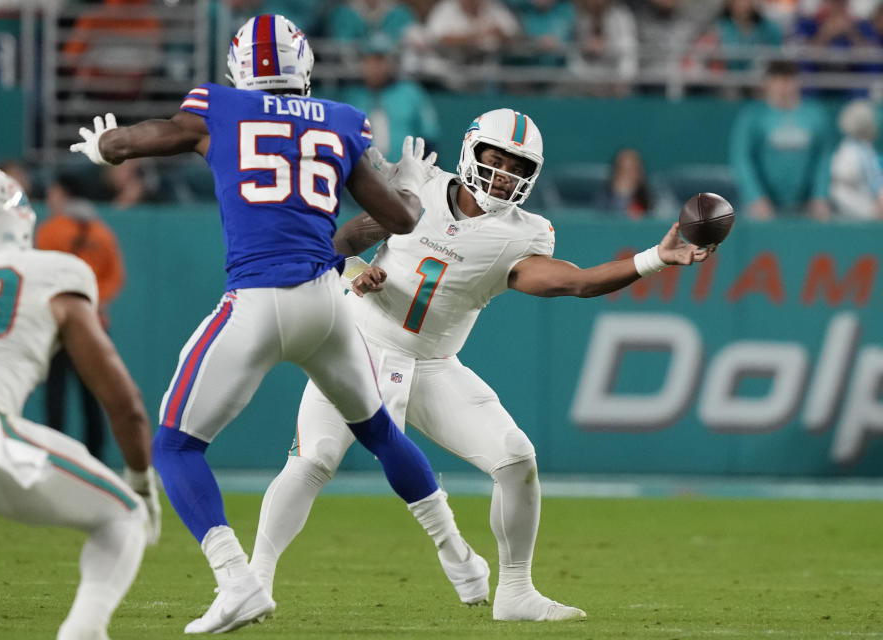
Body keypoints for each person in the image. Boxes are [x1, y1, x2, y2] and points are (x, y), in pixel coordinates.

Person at [70, 14, 485, 633]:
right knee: (378, 434)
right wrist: (410, 190)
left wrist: (108, 145)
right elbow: (394, 222)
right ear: (304, 67)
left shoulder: (218, 106)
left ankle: (238, 581)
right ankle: (463, 561)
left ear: (240, 67)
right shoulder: (343, 121)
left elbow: (149, 137)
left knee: (175, 445)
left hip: (257, 303)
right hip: (324, 301)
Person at [249, 109, 709, 622]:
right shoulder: (420, 189)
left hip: (431, 363)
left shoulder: (522, 233)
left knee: (516, 459)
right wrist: (355, 270)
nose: (506, 174)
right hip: (357, 342)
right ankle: (254, 581)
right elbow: (338, 244)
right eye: (497, 159)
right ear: (471, 151)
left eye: (518, 167)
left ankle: (515, 591)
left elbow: (575, 282)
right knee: (315, 459)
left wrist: (655, 258)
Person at [0, 167, 161, 640]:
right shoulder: (51, 270)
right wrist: (142, 483)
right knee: (124, 515)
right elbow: (125, 402)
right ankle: (83, 632)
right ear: (21, 220)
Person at [36, 175, 127, 460]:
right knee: (95, 397)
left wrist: (69, 304)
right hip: (95, 324)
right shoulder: (102, 233)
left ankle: (55, 458)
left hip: (58, 326)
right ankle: (96, 461)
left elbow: (43, 276)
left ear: (64, 194)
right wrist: (89, 302)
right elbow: (115, 277)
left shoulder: (51, 230)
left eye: (53, 192)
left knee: (56, 398)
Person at [729, 59, 833, 219]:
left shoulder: (815, 115)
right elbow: (742, 159)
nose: (783, 86)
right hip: (764, 204)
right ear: (768, 84)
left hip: (805, 204)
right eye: (778, 80)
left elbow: (823, 159)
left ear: (798, 82)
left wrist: (820, 196)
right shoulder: (753, 116)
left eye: (788, 80)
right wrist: (755, 197)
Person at [340, 33, 440, 162]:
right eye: (369, 60)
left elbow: (429, 136)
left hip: (406, 173)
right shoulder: (352, 96)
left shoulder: (410, 92)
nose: (375, 67)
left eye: (381, 60)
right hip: (366, 176)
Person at [830, 99, 883, 219]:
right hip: (857, 213)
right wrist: (871, 210)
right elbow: (840, 186)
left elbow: (876, 178)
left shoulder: (868, 148)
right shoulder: (847, 151)